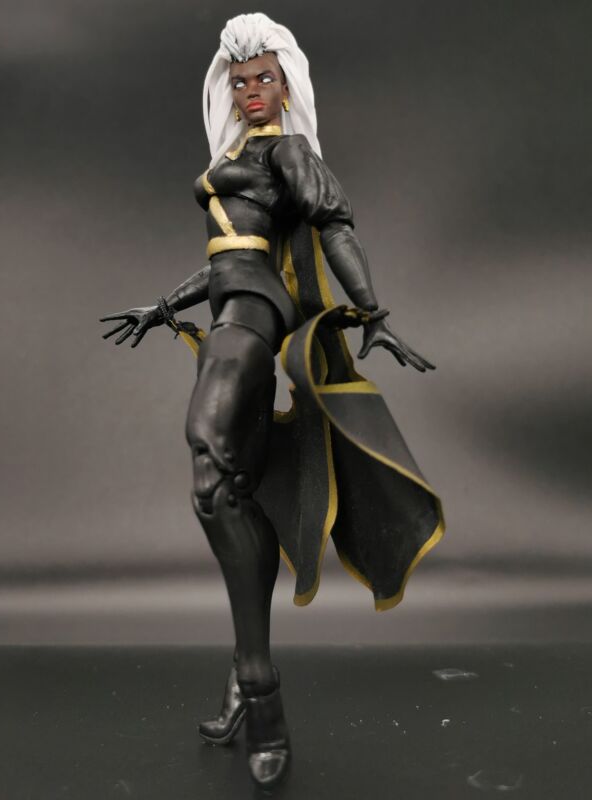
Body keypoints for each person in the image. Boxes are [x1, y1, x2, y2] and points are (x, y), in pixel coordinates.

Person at [100, 12, 444, 788]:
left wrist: (372, 313)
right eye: (240, 80)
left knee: (207, 454)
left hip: (256, 312)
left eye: (265, 78)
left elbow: (334, 225)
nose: (251, 90)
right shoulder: (235, 155)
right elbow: (230, 256)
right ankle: (243, 675)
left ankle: (263, 697)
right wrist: (165, 305)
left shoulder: (288, 151)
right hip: (232, 302)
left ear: (287, 86)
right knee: (232, 491)